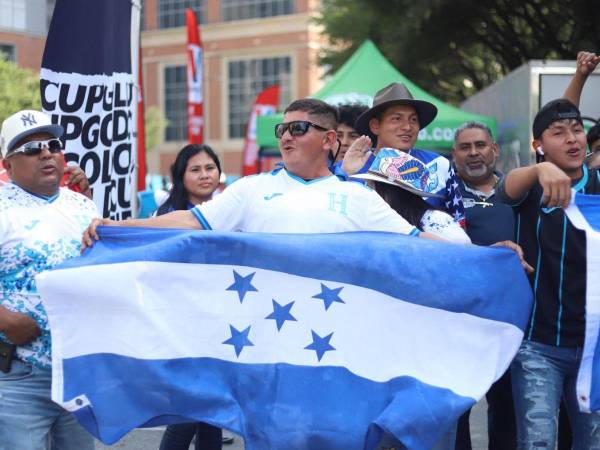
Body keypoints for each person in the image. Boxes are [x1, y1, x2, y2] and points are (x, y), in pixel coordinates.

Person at [83, 98, 439, 246]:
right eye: (282, 130)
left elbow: (418, 245)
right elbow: (190, 222)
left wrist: (492, 256)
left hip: (332, 343)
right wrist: (120, 225)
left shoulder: (358, 197)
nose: (286, 136)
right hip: (265, 343)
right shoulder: (250, 189)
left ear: (330, 139)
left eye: (298, 129)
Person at [496, 98, 600, 449]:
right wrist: (539, 170)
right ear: (538, 145)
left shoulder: (599, 183)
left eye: (577, 130)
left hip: (594, 349)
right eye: (558, 133)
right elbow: (505, 187)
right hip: (539, 346)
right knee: (537, 442)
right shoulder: (532, 186)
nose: (572, 139)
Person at [0, 110, 99, 450]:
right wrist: (5, 318)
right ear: (8, 164)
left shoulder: (84, 208)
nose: (45, 153)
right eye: (31, 148)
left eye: (53, 145)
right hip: (17, 375)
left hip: (77, 370)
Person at [157, 144, 229, 450]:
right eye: (195, 169)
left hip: (222, 324)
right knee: (185, 415)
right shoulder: (168, 216)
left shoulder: (229, 211)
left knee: (214, 415)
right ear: (181, 176)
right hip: (183, 326)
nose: (204, 175)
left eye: (210, 168)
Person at [451, 121, 517, 450]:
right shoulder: (442, 198)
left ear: (495, 150)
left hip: (511, 322)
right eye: (465, 147)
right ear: (454, 155)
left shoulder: (518, 192)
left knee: (508, 412)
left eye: (480, 145)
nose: (474, 153)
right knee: (456, 413)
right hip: (458, 323)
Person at [340, 82, 465, 226]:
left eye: (413, 120)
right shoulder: (349, 167)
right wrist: (349, 175)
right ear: (375, 126)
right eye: (396, 119)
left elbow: (459, 224)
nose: (407, 127)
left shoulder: (439, 164)